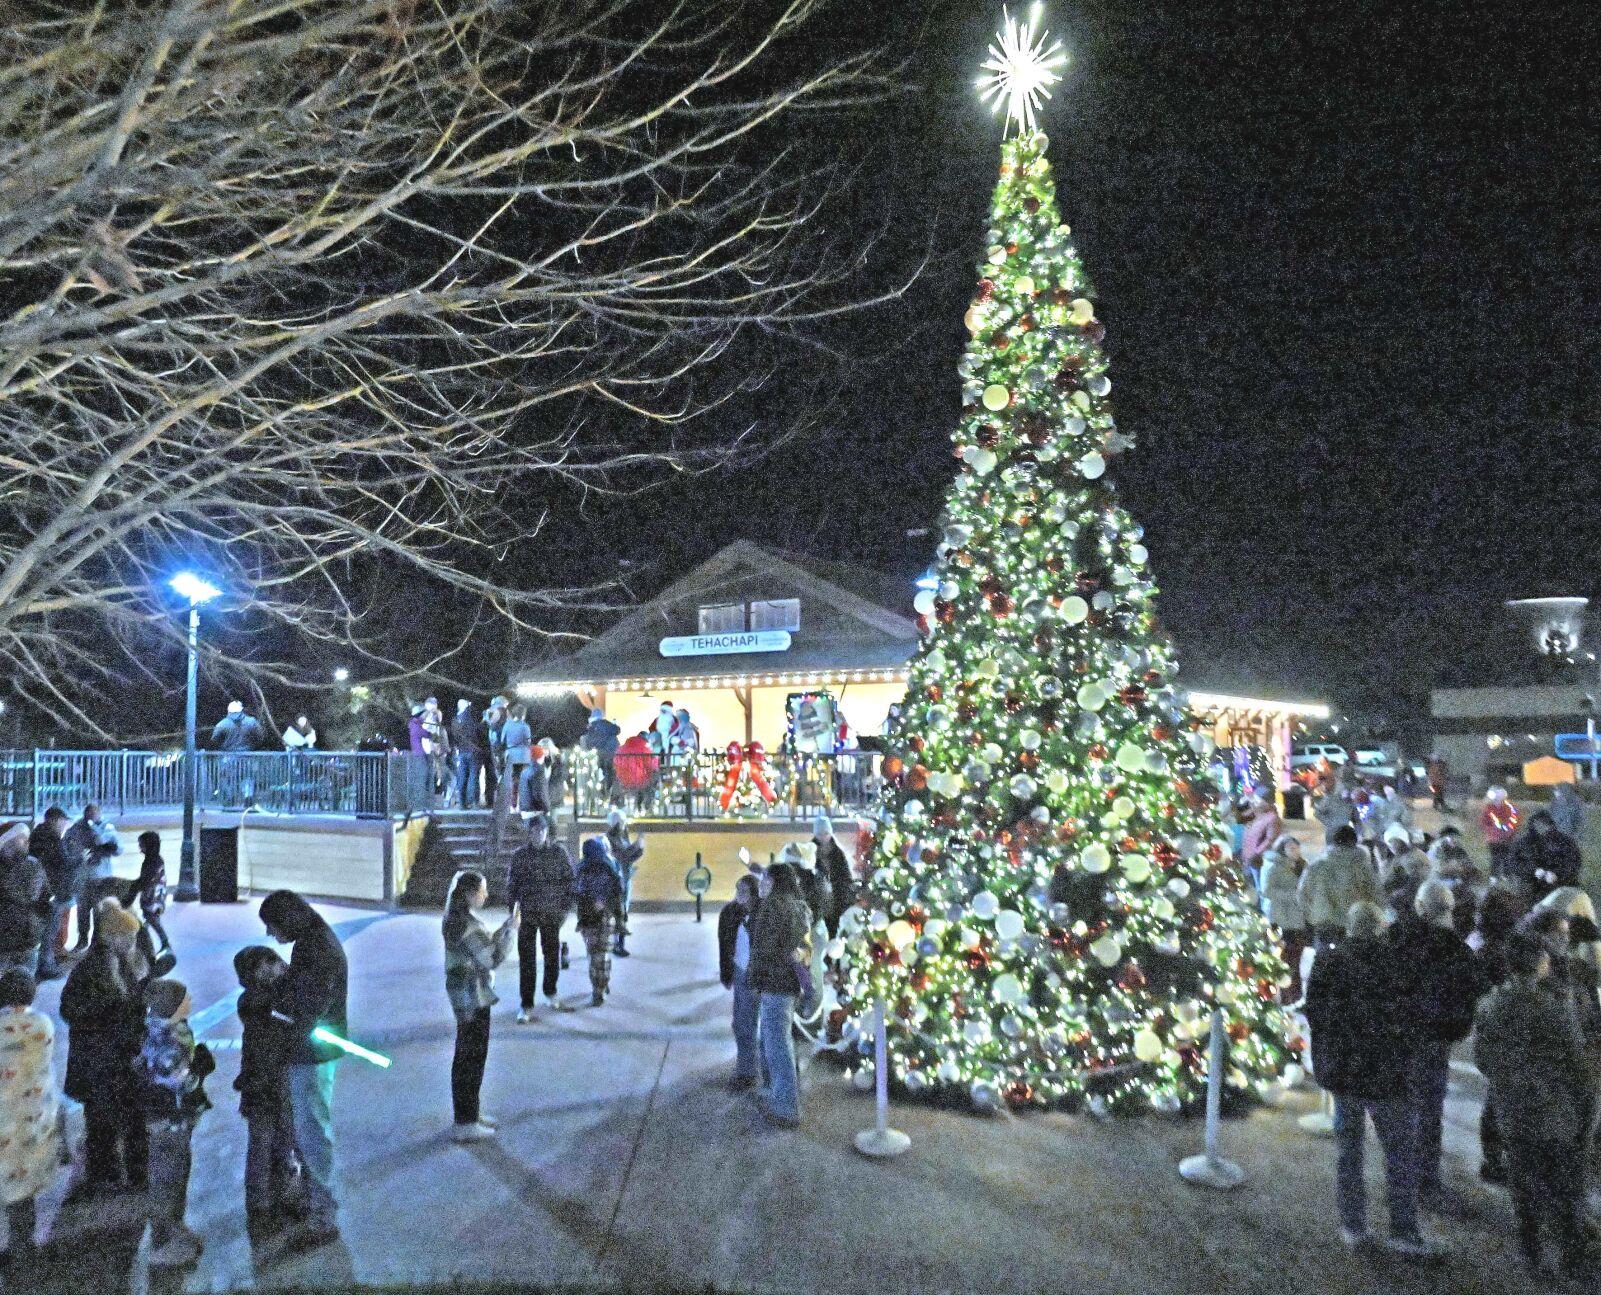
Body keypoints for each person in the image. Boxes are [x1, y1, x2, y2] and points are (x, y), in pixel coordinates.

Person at [1304, 901, 1444, 1260]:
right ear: (1381, 928)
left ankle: (1354, 1227)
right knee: (1399, 1155)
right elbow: (1414, 1017)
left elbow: (1317, 1015)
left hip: (1345, 1075)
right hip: (1388, 1076)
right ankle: (1403, 1230)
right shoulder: (1397, 964)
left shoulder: (1328, 962)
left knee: (1348, 1153)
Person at [1475, 932, 1600, 1279]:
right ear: (1540, 963)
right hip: (1555, 1114)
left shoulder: (1489, 1006)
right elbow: (1577, 1067)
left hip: (1514, 1114)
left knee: (1525, 1189)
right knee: (1567, 1190)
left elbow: (1483, 1061)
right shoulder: (1552, 1008)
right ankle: (1572, 1259)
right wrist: (1588, 1112)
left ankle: (1532, 1256)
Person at [1389, 879, 1486, 1211]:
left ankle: (1401, 1178)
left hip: (1401, 1037)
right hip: (1433, 1041)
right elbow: (1469, 996)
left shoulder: (1397, 940)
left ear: (1419, 907)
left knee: (1402, 1108)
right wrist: (1453, 1030)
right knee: (1428, 1112)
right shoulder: (1457, 950)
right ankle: (1425, 1182)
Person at [258, 889, 347, 1247]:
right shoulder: (312, 941)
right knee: (308, 1127)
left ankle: (322, 1212)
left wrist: (273, 993)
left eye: (272, 925)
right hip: (313, 1049)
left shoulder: (316, 948)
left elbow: (304, 1006)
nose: (269, 934)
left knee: (312, 1131)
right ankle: (315, 1200)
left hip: (312, 1052)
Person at [60, 898, 151, 1192]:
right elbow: (72, 1009)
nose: (132, 942)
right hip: (100, 1060)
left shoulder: (119, 964)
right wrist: (110, 1011)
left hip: (112, 1058)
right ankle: (110, 1172)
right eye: (129, 937)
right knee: (104, 1119)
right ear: (113, 937)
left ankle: (115, 1170)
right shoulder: (95, 967)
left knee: (111, 1117)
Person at [136, 977, 214, 1268]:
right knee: (166, 1179)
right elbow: (176, 1080)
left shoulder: (171, 1030)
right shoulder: (165, 1038)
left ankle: (175, 1227)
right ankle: (162, 1244)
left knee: (178, 1173)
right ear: (172, 1007)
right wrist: (198, 1074)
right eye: (185, 998)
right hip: (167, 1120)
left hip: (178, 1120)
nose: (190, 1000)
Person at [442, 870, 519, 1141]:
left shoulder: (456, 918)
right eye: (482, 890)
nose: (486, 894)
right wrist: (510, 934)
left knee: (467, 1054)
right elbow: (492, 958)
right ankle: (465, 1121)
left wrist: (502, 930)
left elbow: (481, 948)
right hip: (473, 995)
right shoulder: (467, 924)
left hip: (463, 993)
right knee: (472, 1057)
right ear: (470, 893)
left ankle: (470, 1113)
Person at [233, 945, 301, 1234]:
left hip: (274, 1082)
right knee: (262, 1143)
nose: (279, 967)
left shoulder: (265, 999)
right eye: (270, 964)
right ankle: (261, 1203)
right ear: (257, 972)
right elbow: (271, 1009)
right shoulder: (256, 1002)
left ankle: (279, 1194)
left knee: (281, 1141)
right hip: (262, 1085)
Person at [0, 968, 59, 1273]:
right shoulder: (42, 1024)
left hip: (4, 1125)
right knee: (23, 1192)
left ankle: (17, 1254)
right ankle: (23, 1247)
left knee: (10, 1190)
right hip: (34, 1121)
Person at [748, 862, 812, 1128]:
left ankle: (786, 1107)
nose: (762, 884)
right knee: (779, 1040)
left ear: (775, 882)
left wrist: (754, 979)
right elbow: (803, 947)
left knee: (777, 1045)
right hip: (791, 982)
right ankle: (780, 1094)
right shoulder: (799, 906)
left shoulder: (773, 907)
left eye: (766, 880)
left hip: (775, 983)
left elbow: (764, 949)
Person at [504, 814, 573, 1022]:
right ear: (529, 833)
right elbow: (512, 885)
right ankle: (526, 1003)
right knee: (527, 960)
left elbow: (569, 881)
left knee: (552, 956)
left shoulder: (558, 853)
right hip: (527, 914)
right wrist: (513, 911)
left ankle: (550, 991)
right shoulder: (520, 856)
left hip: (551, 914)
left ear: (547, 832)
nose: (538, 835)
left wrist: (564, 909)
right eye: (534, 832)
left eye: (541, 831)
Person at [1298, 825, 1378, 948]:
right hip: (1355, 925)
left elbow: (1302, 895)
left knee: (1325, 961)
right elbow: (1376, 895)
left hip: (1324, 924)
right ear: (1354, 842)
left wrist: (1313, 915)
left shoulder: (1316, 866)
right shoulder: (1363, 866)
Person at [718, 873, 761, 1090]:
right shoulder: (729, 913)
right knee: (741, 1023)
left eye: (745, 891)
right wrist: (726, 974)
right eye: (738, 890)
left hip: (759, 975)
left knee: (753, 1024)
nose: (740, 896)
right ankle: (746, 1068)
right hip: (740, 971)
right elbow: (723, 945)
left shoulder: (763, 914)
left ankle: (752, 1070)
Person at [1258, 834, 1310, 1002]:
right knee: (1286, 959)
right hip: (1281, 918)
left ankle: (1294, 996)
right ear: (1282, 849)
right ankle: (1286, 996)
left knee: (1295, 957)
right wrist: (1293, 895)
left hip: (1298, 917)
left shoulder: (1301, 865)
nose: (1296, 852)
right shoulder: (1273, 866)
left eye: (1297, 848)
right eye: (1291, 848)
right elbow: (1266, 890)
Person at [62, 804, 120, 952]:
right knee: (82, 909)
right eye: (88, 815)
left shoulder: (107, 827)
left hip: (101, 877)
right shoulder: (77, 828)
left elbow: (118, 848)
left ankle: (96, 941)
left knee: (99, 911)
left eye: (94, 815)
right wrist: (76, 853)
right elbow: (66, 845)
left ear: (100, 814)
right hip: (82, 876)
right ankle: (82, 940)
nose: (91, 818)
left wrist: (104, 842)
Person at [574, 839, 624, 1007]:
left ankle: (599, 989)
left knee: (597, 955)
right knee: (599, 955)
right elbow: (618, 893)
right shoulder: (607, 867)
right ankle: (600, 985)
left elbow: (577, 894)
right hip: (600, 918)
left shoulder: (584, 869)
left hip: (594, 919)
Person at [30, 807, 74, 979]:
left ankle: (42, 965)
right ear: (55, 820)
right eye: (63, 821)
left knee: (46, 930)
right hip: (50, 892)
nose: (65, 825)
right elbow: (61, 862)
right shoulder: (51, 839)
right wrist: (78, 858)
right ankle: (45, 967)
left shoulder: (38, 835)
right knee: (49, 931)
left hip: (44, 891)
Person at [0, 822, 45, 978]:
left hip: (27, 938)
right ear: (7, 841)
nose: (28, 841)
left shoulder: (33, 865)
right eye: (23, 838)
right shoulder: (32, 866)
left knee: (23, 985)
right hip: (10, 941)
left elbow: (44, 897)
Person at [1507, 809, 1582, 901]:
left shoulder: (1565, 842)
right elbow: (1512, 863)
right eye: (1538, 827)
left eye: (1546, 826)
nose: (1543, 830)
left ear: (1551, 826)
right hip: (1531, 884)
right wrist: (1533, 871)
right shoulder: (1522, 843)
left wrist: (1557, 875)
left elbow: (1574, 863)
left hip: (1559, 885)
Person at [605, 809, 644, 958]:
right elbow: (622, 855)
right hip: (616, 880)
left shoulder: (622, 837)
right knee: (618, 913)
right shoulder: (610, 839)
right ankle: (617, 945)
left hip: (625, 877)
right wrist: (636, 846)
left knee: (623, 912)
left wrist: (639, 848)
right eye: (621, 822)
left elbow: (629, 856)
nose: (623, 824)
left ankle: (619, 943)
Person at [811, 815, 855, 939]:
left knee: (835, 933)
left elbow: (846, 877)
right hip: (819, 900)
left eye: (826, 833)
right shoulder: (810, 852)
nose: (823, 837)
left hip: (837, 900)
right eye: (820, 834)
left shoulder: (838, 853)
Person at [135, 831, 172, 957]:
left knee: (152, 920)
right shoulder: (153, 859)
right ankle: (145, 942)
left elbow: (148, 880)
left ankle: (165, 943)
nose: (140, 848)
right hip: (154, 897)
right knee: (149, 920)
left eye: (141, 845)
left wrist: (136, 887)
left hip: (153, 898)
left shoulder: (153, 862)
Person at [1239, 793, 1281, 890]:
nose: (1255, 802)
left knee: (1262, 888)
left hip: (1259, 859)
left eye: (1258, 800)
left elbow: (1270, 839)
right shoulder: (1254, 816)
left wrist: (1256, 853)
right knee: (1253, 886)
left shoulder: (1271, 818)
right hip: (1248, 857)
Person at [580, 708, 622, 800]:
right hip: (611, 753)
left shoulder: (590, 727)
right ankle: (609, 795)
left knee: (600, 774)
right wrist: (614, 724)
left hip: (598, 755)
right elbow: (617, 730)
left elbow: (586, 741)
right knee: (611, 774)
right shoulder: (606, 723)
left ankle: (601, 795)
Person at [500, 704, 533, 813]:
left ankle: (512, 805)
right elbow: (528, 742)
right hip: (523, 756)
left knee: (512, 782)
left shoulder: (507, 725)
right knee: (523, 783)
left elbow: (502, 740)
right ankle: (522, 805)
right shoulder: (525, 726)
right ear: (523, 715)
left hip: (510, 755)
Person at [1481, 786, 1520, 876]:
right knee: (1495, 859)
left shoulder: (1510, 809)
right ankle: (1494, 876)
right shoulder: (1488, 809)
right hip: (1493, 840)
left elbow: (1514, 821)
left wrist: (1509, 833)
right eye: (1496, 798)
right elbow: (1485, 824)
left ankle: (1506, 875)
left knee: (1507, 857)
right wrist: (1494, 833)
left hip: (1507, 838)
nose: (1498, 801)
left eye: (1500, 798)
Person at [449, 700, 481, 809]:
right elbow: (477, 732)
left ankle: (462, 803)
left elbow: (455, 737)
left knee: (462, 776)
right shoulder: (471, 717)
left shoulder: (455, 720)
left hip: (462, 751)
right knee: (473, 776)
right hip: (473, 751)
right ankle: (473, 802)